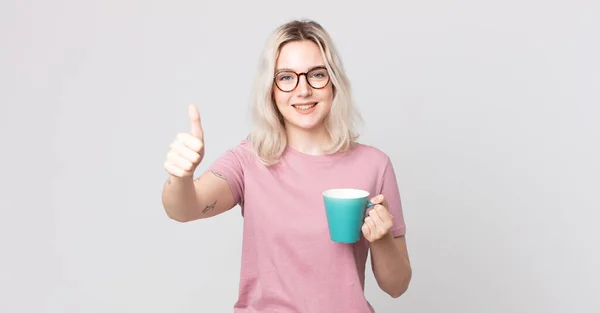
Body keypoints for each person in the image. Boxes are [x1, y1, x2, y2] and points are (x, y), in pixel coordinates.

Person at [161, 19, 412, 313]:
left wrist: (381, 238)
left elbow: (397, 286)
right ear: (271, 89)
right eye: (286, 77)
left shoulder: (374, 164)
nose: (303, 90)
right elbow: (186, 209)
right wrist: (181, 177)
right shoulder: (249, 159)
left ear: (333, 82)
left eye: (317, 74)